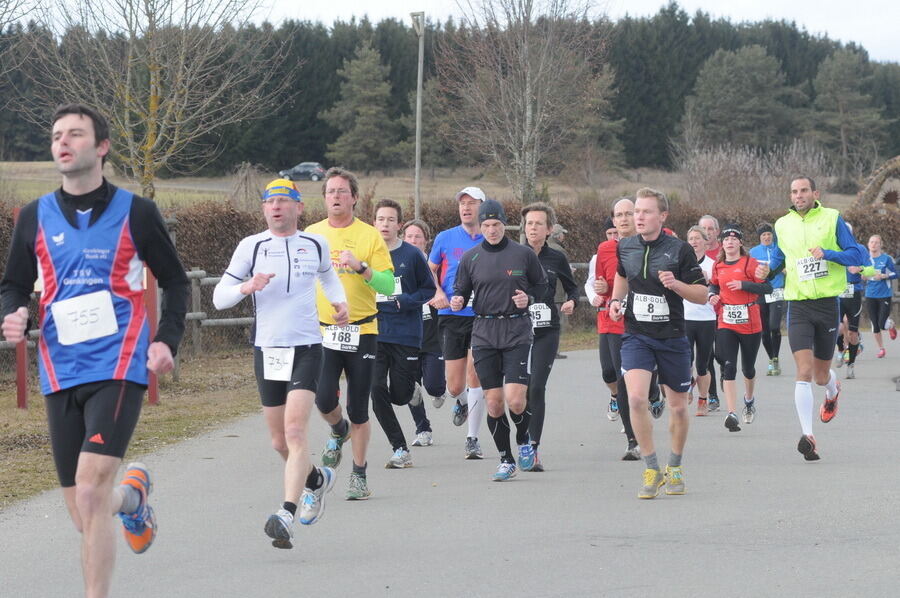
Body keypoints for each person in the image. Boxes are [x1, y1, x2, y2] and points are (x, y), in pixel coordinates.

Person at [0, 104, 189, 597]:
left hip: (120, 361)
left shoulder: (138, 212)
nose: (63, 142)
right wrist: (14, 313)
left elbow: (174, 281)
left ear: (101, 147)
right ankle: (132, 500)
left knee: (89, 490)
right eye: (57, 134)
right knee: (84, 509)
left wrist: (167, 339)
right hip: (61, 370)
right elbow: (14, 285)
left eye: (75, 134)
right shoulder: (32, 217)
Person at [213, 179, 349, 548]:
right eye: (269, 202)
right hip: (268, 350)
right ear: (263, 210)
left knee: (294, 431)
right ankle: (317, 481)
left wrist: (339, 302)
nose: (276, 207)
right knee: (278, 442)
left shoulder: (314, 243)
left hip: (306, 347)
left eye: (283, 202)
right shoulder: (251, 246)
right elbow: (218, 298)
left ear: (298, 208)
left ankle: (286, 513)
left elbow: (327, 275)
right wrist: (246, 287)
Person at [609, 188, 708, 499]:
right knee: (636, 399)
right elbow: (622, 276)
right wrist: (615, 300)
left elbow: (702, 294)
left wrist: (675, 284)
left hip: (672, 337)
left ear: (662, 216)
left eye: (646, 211)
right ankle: (651, 467)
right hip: (637, 335)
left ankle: (674, 467)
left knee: (678, 407)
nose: (638, 217)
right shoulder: (625, 247)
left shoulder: (679, 250)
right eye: (636, 211)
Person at [305, 167, 395, 499]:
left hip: (363, 330)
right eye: (331, 191)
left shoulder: (369, 235)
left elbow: (387, 284)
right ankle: (337, 429)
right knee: (324, 398)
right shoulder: (312, 234)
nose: (337, 197)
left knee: (359, 407)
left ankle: (359, 475)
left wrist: (361, 267)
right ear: (325, 198)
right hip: (324, 332)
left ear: (354, 198)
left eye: (343, 191)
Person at [771, 176, 868, 461]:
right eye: (794, 191)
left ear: (815, 193)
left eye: (803, 190)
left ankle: (832, 390)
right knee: (803, 371)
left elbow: (854, 254)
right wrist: (768, 270)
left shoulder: (832, 217)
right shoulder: (782, 224)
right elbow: (779, 258)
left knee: (820, 375)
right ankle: (808, 435)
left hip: (827, 304)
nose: (798, 195)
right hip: (798, 305)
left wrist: (829, 253)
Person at [451, 199, 547, 481]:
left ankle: (524, 439)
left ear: (505, 225)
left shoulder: (523, 254)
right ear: (480, 227)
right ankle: (506, 459)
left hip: (516, 331)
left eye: (496, 225)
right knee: (493, 403)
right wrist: (457, 299)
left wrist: (526, 298)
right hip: (483, 333)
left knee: (516, 401)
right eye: (486, 225)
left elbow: (541, 286)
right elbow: (461, 289)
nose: (491, 230)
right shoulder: (471, 257)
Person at [585, 199, 660, 460]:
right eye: (619, 215)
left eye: (630, 213)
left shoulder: (650, 245)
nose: (625, 219)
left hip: (639, 323)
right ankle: (650, 387)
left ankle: (633, 440)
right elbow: (599, 282)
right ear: (614, 221)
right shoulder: (605, 249)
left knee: (623, 378)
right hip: (609, 318)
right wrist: (602, 289)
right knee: (610, 373)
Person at [369, 200, 436, 468]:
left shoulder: (411, 255)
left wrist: (405, 301)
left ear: (399, 225)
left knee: (399, 394)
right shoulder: (367, 254)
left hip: (406, 333)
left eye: (390, 220)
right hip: (374, 331)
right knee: (375, 390)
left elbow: (428, 290)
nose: (385, 224)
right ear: (374, 222)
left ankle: (412, 391)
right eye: (380, 219)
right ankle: (399, 448)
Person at [429, 187, 487, 459]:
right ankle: (461, 402)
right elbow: (429, 271)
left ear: (482, 207)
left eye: (472, 203)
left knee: (475, 374)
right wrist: (438, 293)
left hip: (481, 316)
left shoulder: (490, 237)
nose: (466, 208)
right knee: (453, 386)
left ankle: (472, 438)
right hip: (451, 316)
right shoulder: (445, 237)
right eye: (462, 204)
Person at [521, 202, 578, 471]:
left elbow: (573, 289)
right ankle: (520, 442)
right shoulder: (513, 255)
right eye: (529, 223)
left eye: (538, 224)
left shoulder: (556, 257)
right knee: (518, 392)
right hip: (515, 331)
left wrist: (571, 302)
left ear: (549, 229)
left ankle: (532, 449)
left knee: (536, 387)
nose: (532, 228)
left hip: (546, 330)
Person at [707, 225, 771, 431]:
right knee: (728, 365)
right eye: (726, 239)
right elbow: (714, 284)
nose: (730, 242)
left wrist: (744, 285)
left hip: (750, 322)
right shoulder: (718, 266)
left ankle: (749, 401)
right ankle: (732, 413)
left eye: (734, 239)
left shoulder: (750, 264)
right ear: (722, 244)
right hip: (726, 320)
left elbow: (767, 287)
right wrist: (711, 295)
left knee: (748, 369)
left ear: (740, 243)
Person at [402, 219, 447, 445]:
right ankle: (423, 429)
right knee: (411, 387)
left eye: (417, 236)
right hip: (408, 338)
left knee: (433, 385)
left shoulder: (434, 267)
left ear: (426, 241)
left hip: (433, 338)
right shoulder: (397, 267)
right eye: (409, 236)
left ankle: (441, 391)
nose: (412, 240)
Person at [683, 225, 717, 416]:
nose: (694, 242)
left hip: (706, 318)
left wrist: (709, 281)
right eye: (691, 239)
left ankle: (703, 399)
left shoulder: (712, 265)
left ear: (706, 242)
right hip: (686, 317)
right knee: (686, 361)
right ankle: (688, 384)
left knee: (703, 364)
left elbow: (719, 289)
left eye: (698, 238)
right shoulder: (682, 263)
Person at [749, 223, 786, 376]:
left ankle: (776, 356)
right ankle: (772, 359)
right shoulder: (753, 252)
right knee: (764, 330)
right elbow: (750, 271)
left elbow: (786, 264)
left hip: (777, 290)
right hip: (761, 292)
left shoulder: (779, 250)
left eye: (769, 234)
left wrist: (785, 270)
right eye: (763, 235)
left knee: (774, 326)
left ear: (772, 236)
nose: (766, 237)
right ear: (759, 237)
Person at [833, 223, 866, 379]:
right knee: (838, 329)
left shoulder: (860, 249)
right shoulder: (832, 249)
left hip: (854, 293)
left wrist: (860, 269)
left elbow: (871, 269)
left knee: (852, 334)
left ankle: (851, 364)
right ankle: (840, 349)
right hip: (836, 293)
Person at [699, 214, 723, 411]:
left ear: (717, 231)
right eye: (703, 229)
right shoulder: (690, 254)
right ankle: (712, 395)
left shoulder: (724, 252)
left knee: (721, 355)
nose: (707, 233)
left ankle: (726, 371)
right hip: (701, 313)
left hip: (722, 311)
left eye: (710, 228)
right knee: (706, 356)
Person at [862, 234, 897, 358]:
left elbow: (896, 273)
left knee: (882, 323)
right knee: (875, 324)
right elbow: (861, 274)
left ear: (880, 245)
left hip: (884, 295)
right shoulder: (865, 259)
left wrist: (884, 276)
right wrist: (863, 277)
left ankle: (891, 325)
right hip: (870, 294)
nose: (874, 244)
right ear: (868, 244)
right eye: (871, 242)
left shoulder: (886, 259)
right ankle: (881, 349)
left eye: (876, 242)